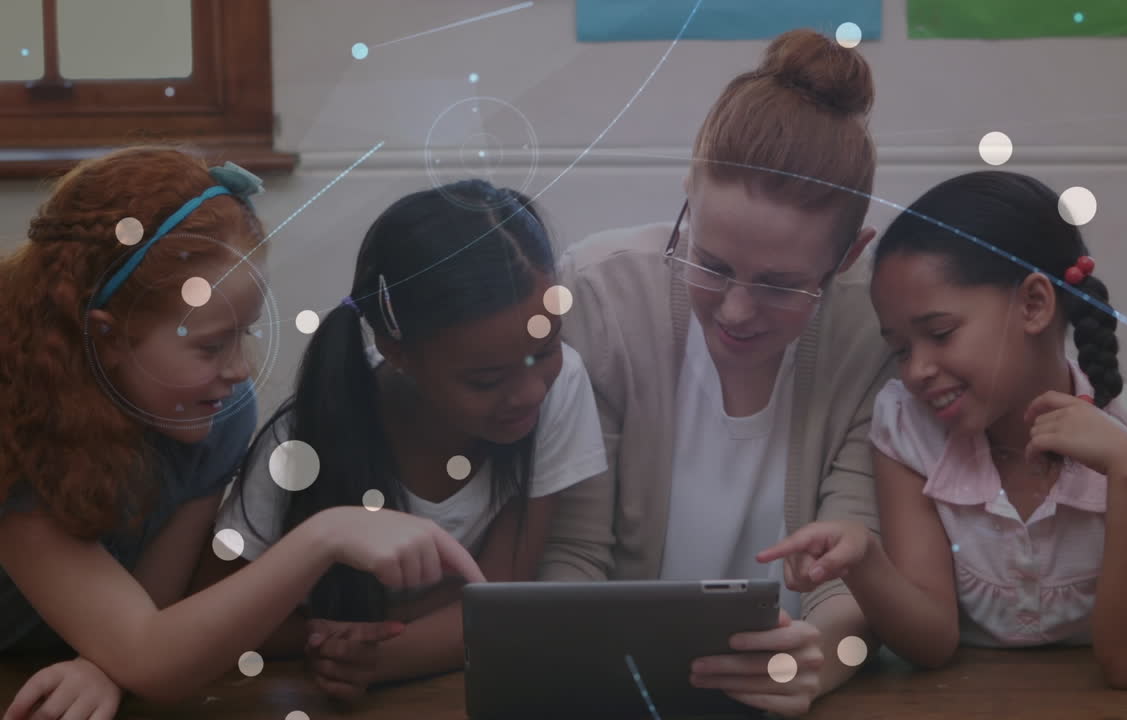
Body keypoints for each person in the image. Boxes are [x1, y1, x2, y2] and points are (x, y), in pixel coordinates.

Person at [0, 148, 481, 720]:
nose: (239, 369)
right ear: (107, 336)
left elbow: (155, 608)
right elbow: (151, 656)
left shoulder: (219, 415)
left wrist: (105, 664)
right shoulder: (17, 427)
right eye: (210, 345)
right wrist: (324, 535)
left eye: (244, 333)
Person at [539, 29, 894, 717]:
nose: (736, 310)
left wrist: (817, 661)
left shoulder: (872, 329)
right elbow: (575, 558)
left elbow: (853, 575)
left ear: (848, 256)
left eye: (780, 284)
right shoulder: (604, 296)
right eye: (711, 262)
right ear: (688, 195)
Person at [760, 170, 1127, 689]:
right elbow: (931, 644)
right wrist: (864, 557)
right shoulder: (908, 428)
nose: (915, 371)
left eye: (940, 333)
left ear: (1035, 304)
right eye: (901, 349)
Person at [204, 179, 607, 700]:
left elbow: (502, 594)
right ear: (397, 352)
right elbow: (212, 616)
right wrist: (337, 643)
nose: (530, 391)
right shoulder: (301, 443)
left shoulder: (561, 385)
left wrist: (385, 655)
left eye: (548, 348)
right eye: (485, 381)